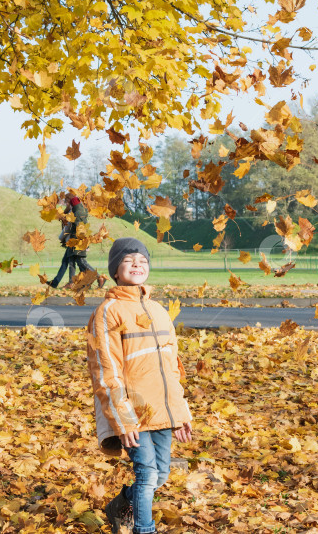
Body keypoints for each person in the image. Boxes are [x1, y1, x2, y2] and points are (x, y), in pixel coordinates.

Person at [85, 237, 193, 534]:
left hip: (162, 408)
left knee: (160, 475)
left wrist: (181, 412)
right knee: (146, 474)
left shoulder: (158, 310)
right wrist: (122, 419)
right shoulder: (108, 311)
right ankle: (144, 530)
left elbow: (172, 367)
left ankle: (121, 503)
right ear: (115, 271)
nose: (137, 264)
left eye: (143, 261)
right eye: (129, 260)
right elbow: (106, 370)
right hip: (132, 411)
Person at [49, 194, 106, 289]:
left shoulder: (77, 213)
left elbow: (81, 229)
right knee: (71, 261)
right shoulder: (78, 211)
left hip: (78, 241)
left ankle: (98, 277)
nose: (68, 205)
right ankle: (73, 283)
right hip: (75, 241)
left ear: (72, 204)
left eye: (69, 203)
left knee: (81, 261)